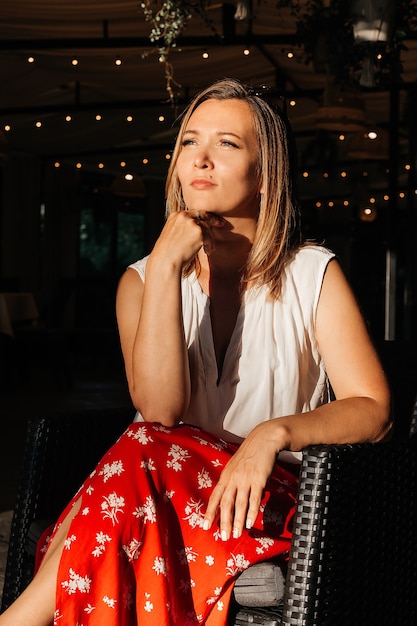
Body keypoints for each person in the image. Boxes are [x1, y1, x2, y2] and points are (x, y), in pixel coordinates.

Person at [0, 78, 391, 626]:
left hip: (264, 499)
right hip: (156, 486)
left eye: (227, 144)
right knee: (144, 447)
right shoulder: (141, 281)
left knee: (126, 477)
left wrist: (271, 434)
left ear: (265, 173)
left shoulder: (311, 272)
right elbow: (161, 410)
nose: (200, 159)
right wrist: (164, 266)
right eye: (188, 142)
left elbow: (372, 408)